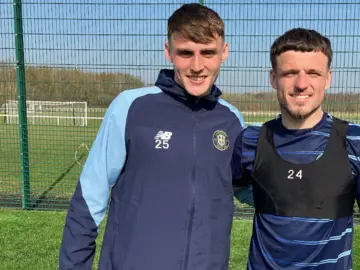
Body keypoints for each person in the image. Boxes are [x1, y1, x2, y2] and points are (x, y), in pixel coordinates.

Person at [59, 3, 245, 270]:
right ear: (168, 52)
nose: (197, 65)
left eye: (207, 52)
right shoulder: (131, 107)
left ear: (224, 52)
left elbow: (246, 188)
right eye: (185, 53)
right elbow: (90, 198)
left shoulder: (232, 120)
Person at [232, 28, 360, 269]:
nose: (301, 84)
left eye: (313, 73)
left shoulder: (356, 141)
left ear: (328, 78)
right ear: (273, 78)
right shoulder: (250, 141)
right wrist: (279, 193)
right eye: (290, 73)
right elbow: (235, 187)